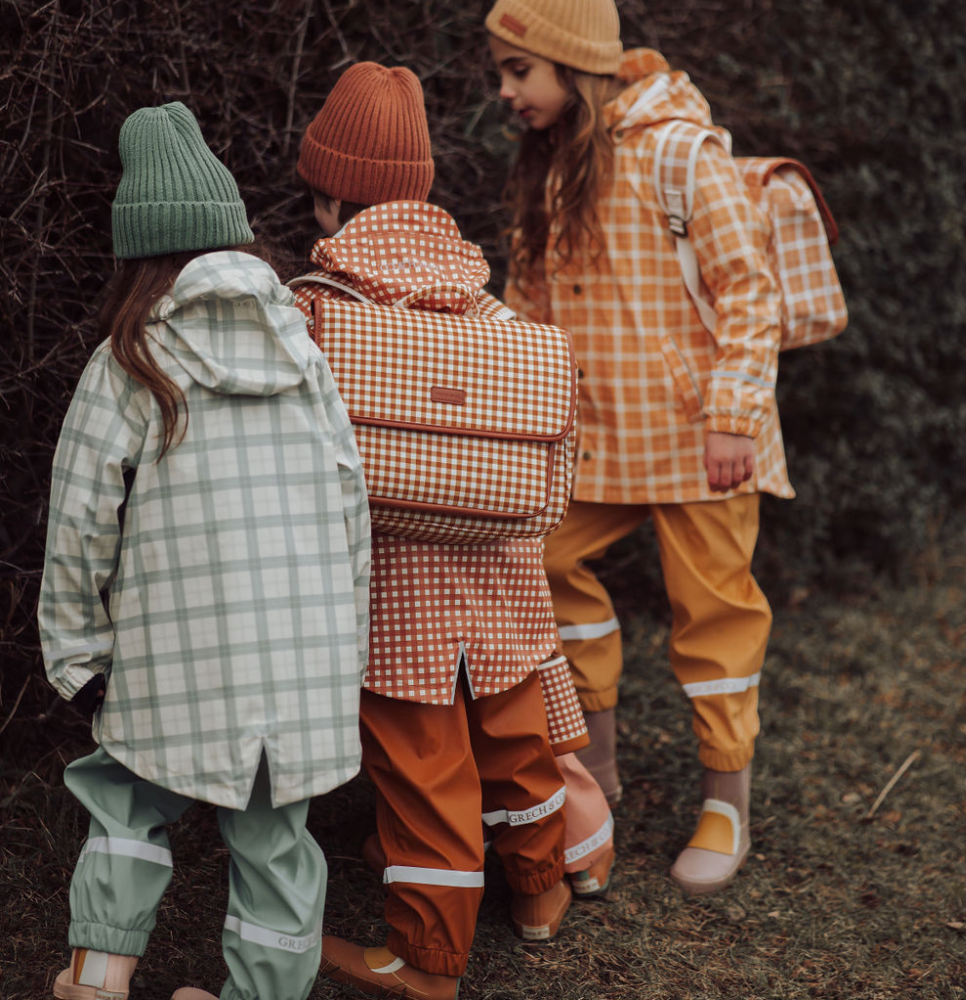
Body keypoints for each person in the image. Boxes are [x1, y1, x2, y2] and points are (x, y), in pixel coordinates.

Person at [290, 62, 613, 1000]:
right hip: (506, 575)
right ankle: (541, 895)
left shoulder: (320, 309)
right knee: (516, 746)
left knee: (424, 768)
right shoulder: (487, 307)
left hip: (398, 596)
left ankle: (427, 959)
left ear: (328, 193)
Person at [37, 101, 371, 1000]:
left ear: (137, 250)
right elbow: (351, 505)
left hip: (176, 647)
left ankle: (99, 978)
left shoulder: (133, 356)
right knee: (274, 836)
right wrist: (348, 648)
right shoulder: (304, 352)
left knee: (125, 796)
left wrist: (78, 654)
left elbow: (79, 519)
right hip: (302, 652)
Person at [484, 0, 794, 896]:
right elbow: (531, 310)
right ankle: (597, 765)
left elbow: (749, 291)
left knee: (715, 612)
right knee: (538, 558)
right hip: (598, 442)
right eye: (500, 73)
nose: (505, 91)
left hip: (703, 441)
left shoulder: (680, 152)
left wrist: (734, 415)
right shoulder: (551, 171)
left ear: (571, 64)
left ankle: (725, 801)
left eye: (518, 70)